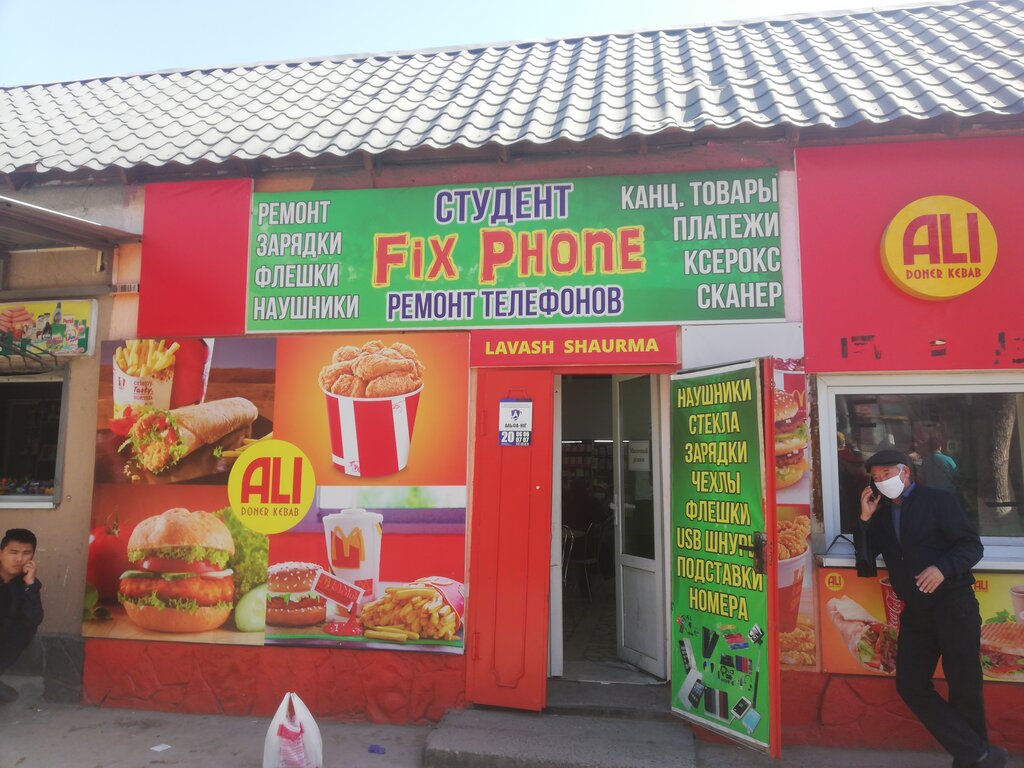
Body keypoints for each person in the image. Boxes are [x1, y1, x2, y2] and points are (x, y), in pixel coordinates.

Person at [855, 450, 1007, 768]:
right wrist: (865, 520)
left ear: (905, 473)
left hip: (954, 605)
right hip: (917, 611)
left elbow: (971, 546)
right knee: (910, 685)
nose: (881, 481)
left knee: (964, 686)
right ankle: (980, 754)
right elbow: (866, 565)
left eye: (886, 474)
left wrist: (942, 568)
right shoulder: (881, 514)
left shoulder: (938, 501)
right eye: (876, 477)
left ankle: (972, 761)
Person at [0, 528, 43, 704]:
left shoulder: (27, 584)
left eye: (26, 553)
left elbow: (34, 619)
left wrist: (30, 585)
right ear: (1, 553)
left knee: (25, 625)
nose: (19, 559)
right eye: (13, 552)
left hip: (5, 644)